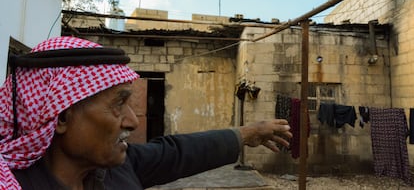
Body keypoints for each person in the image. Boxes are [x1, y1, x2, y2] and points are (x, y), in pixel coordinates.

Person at [0, 36, 292, 190]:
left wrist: (247, 134)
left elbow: (179, 152)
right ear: (61, 116)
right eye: (118, 103)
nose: (132, 120)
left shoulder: (117, 168)